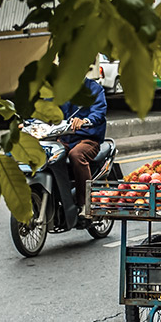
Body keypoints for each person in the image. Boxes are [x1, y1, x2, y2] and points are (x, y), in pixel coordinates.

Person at [60, 72, 107, 219]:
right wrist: (29, 122)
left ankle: (86, 203)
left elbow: (98, 113)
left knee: (77, 155)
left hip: (87, 139)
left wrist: (85, 121)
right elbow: (43, 110)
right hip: (63, 138)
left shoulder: (94, 89)